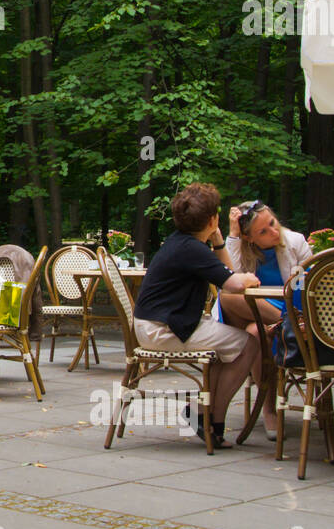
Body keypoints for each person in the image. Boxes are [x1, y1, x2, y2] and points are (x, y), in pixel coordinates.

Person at [132, 183, 262, 449]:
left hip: (155, 324)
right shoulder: (192, 250)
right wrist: (249, 277)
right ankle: (212, 418)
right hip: (162, 329)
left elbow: (225, 273)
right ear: (213, 219)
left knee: (226, 346)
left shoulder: (183, 243)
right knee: (249, 344)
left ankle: (205, 413)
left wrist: (217, 240)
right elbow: (234, 281)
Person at [220, 200, 312, 440]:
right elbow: (229, 278)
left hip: (293, 304)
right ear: (250, 238)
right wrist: (233, 235)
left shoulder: (295, 242)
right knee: (229, 295)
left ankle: (268, 408)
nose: (274, 232)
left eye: (273, 223)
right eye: (263, 231)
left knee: (254, 333)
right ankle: (269, 409)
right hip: (261, 309)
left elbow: (309, 285)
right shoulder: (243, 247)